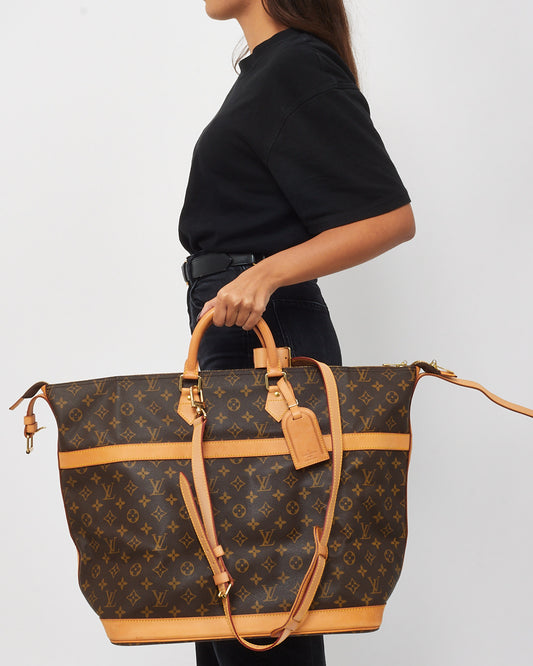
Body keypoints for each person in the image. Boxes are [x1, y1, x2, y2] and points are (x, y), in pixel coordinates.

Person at [178, 2, 416, 665]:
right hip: (235, 332)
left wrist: (266, 273)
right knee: (228, 598)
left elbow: (390, 217)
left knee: (262, 604)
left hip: (267, 335)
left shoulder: (295, 66)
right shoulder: (266, 70)